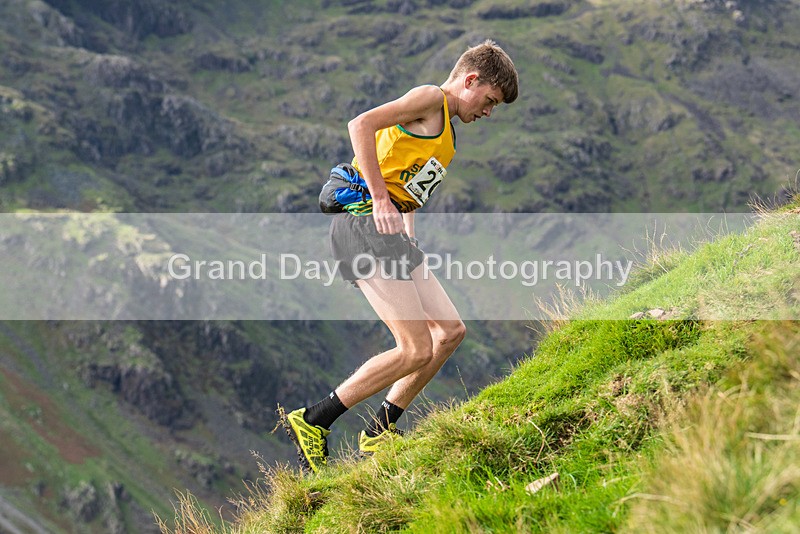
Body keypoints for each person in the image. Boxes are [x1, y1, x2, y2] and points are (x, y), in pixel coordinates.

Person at [283, 39, 519, 473]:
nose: (488, 112)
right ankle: (314, 421)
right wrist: (378, 200)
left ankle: (380, 431)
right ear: (470, 80)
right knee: (414, 350)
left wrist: (408, 234)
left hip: (392, 237)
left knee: (449, 333)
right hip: (362, 228)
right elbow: (360, 125)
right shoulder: (431, 99)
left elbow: (405, 192)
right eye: (489, 101)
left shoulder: (446, 132)